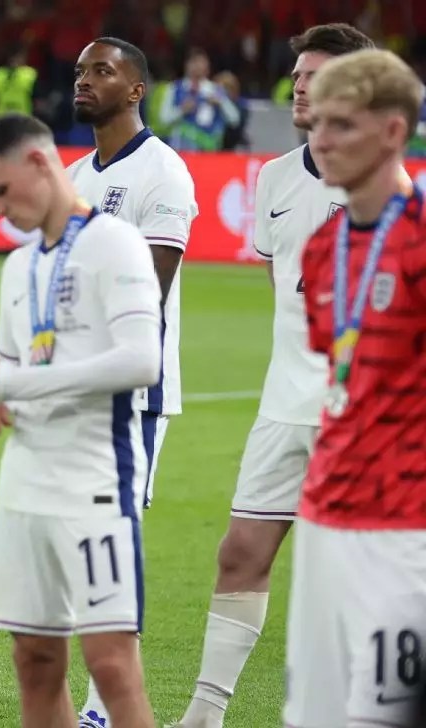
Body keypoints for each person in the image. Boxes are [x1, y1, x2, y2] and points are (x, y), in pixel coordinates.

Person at [172, 23, 376, 728]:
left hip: (362, 416)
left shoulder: (394, 190)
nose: (299, 87)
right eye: (297, 76)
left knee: (361, 577)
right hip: (285, 403)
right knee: (240, 553)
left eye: (316, 76)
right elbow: (281, 285)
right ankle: (204, 714)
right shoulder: (275, 178)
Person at [0, 112, 160, 728]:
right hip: (24, 487)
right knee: (35, 660)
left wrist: (16, 383)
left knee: (113, 666)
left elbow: (141, 361)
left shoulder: (114, 242)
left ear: (39, 162)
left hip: (94, 483)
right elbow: (15, 363)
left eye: (0, 191)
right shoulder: (18, 267)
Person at [283, 48, 426, 728]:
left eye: (342, 124)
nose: (322, 139)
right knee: (312, 716)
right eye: (318, 123)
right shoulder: (323, 249)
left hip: (406, 526)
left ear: (393, 131)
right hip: (323, 515)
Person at [65, 38, 197, 726]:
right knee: (76, 541)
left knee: (113, 541)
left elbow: (149, 288)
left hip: (132, 393)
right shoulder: (73, 176)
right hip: (73, 391)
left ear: (136, 89)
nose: (84, 81)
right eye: (80, 71)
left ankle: (105, 708)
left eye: (102, 71)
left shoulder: (162, 172)